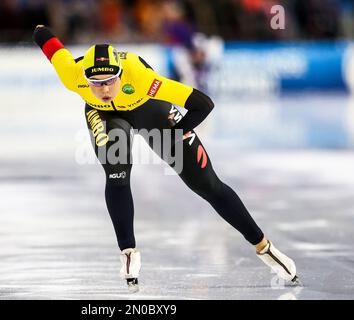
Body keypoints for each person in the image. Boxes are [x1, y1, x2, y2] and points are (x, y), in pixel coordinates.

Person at [33, 25, 301, 292]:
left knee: (207, 185)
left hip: (149, 108)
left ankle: (264, 246)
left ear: (120, 74)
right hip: (105, 117)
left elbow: (203, 103)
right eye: (96, 83)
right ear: (86, 79)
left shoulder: (139, 77)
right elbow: (50, 44)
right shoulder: (71, 74)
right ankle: (128, 251)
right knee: (116, 173)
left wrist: (178, 131)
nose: (104, 89)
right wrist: (40, 29)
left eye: (110, 81)